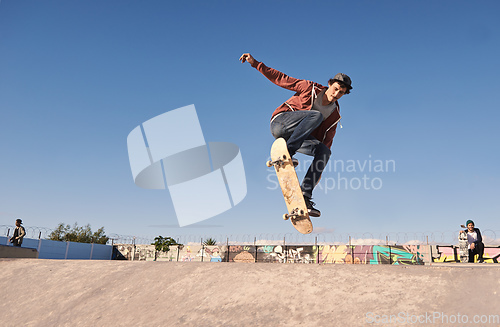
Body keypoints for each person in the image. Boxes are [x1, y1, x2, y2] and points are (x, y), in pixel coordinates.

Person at [240, 53, 352, 217]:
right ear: (329, 84)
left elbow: (327, 142)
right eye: (335, 89)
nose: (336, 94)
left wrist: (317, 170)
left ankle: (305, 197)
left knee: (325, 151)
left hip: (298, 137)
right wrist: (255, 63)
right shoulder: (309, 87)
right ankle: (288, 153)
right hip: (281, 123)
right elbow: (282, 78)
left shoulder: (335, 115)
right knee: (316, 115)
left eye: (341, 92)